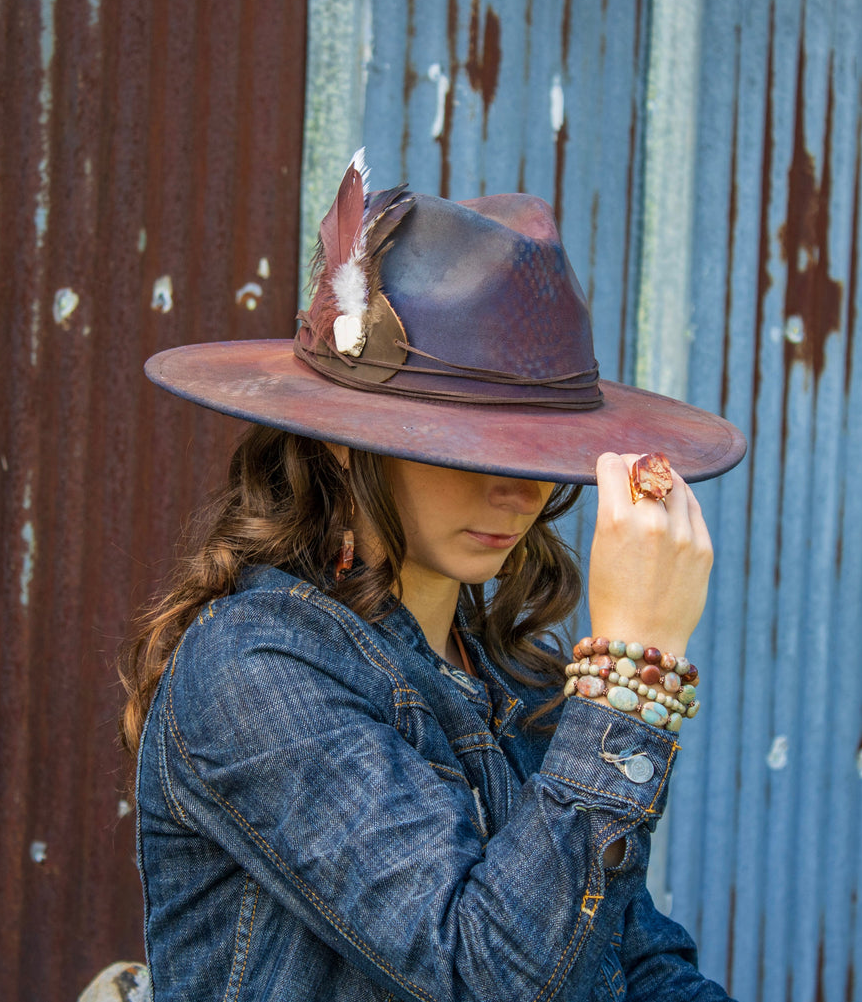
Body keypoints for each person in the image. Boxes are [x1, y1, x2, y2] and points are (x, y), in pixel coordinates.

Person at [118, 154, 746, 1001]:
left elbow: (637, 964)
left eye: (542, 453)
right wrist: (631, 673)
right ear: (347, 438)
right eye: (470, 448)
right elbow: (489, 976)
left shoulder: (521, 682)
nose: (521, 489)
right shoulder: (252, 670)